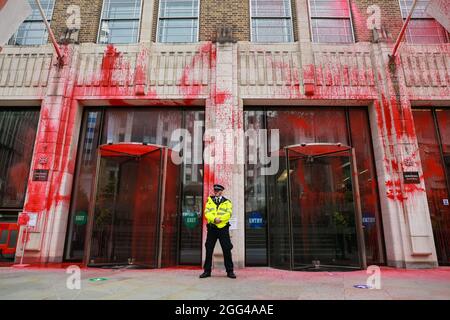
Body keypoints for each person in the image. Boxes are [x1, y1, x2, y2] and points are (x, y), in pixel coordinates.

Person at [199, 184, 236, 279]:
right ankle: (207, 271)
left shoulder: (227, 202)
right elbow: (207, 213)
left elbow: (229, 214)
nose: (215, 192)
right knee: (209, 249)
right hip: (212, 228)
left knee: (227, 249)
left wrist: (220, 219)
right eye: (215, 190)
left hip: (223, 228)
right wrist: (214, 219)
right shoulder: (209, 201)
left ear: (221, 191)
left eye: (217, 190)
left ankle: (230, 271)